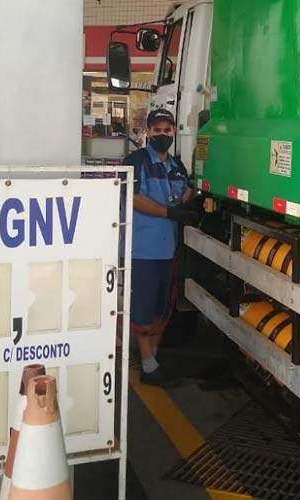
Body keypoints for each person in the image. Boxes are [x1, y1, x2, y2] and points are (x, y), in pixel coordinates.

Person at [122, 109, 199, 387]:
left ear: (174, 132)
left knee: (161, 310)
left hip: (168, 250)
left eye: (167, 130)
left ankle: (152, 359)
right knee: (143, 311)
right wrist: (170, 213)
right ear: (148, 132)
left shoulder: (177, 166)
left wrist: (195, 194)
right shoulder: (136, 161)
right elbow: (134, 198)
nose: (162, 135)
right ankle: (148, 366)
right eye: (157, 130)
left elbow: (184, 194)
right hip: (142, 250)